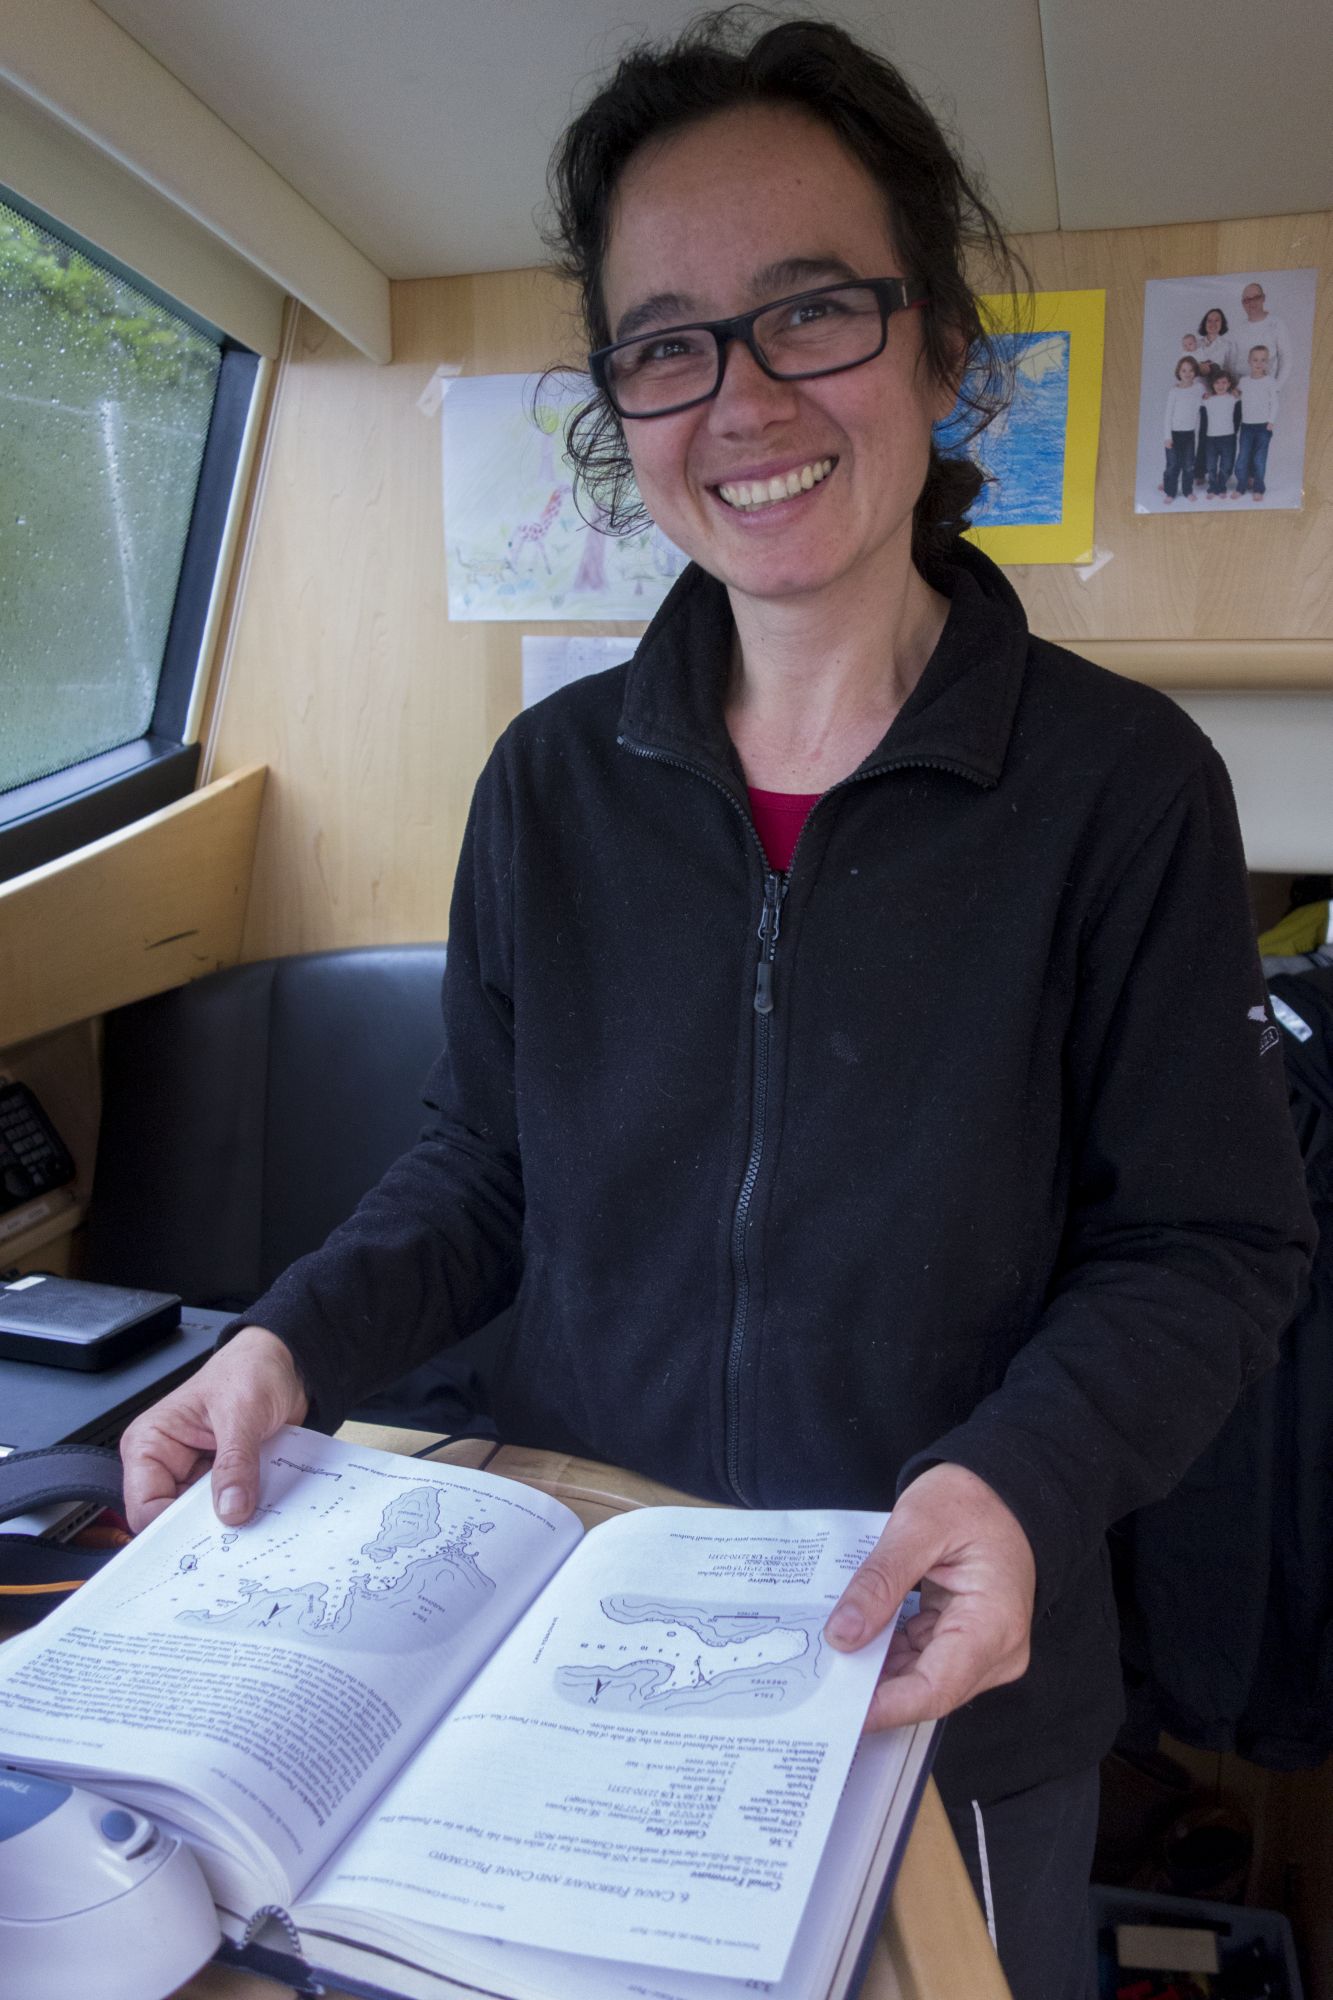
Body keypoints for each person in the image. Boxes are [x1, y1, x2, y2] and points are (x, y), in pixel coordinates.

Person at [119, 15, 1313, 1998]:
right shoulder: (550, 785)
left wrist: (1017, 1483)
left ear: (941, 351)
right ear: (621, 405)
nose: (741, 398)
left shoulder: (1121, 791)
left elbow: (1208, 1245)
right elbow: (476, 1173)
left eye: (810, 311)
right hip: (591, 1662)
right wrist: (285, 1343)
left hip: (945, 1687)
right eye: (665, 342)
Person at [1236, 344, 1279, 500]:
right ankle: (1241, 486)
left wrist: (1271, 421)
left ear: (1267, 362)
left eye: (1263, 360)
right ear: (1249, 361)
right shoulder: (1243, 381)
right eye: (1255, 360)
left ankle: (1258, 488)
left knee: (1259, 459)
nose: (1259, 363)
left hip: (1263, 426)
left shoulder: (1270, 381)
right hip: (1246, 425)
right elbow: (1237, 397)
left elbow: (1275, 403)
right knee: (1243, 457)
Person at [1162, 354, 1205, 501]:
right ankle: (1170, 491)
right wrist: (1167, 437)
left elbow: (1204, 401)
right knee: (1173, 465)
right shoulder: (1174, 391)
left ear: (1195, 372)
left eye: (1191, 370)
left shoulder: (1199, 388)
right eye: (1184, 370)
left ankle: (1187, 491)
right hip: (1174, 434)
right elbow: (1168, 415)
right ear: (1178, 372)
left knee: (1188, 465)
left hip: (1189, 434)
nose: (1187, 373)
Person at [1238, 279, 1290, 384]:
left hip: (1267, 388)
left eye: (1256, 298)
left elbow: (1286, 359)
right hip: (1243, 388)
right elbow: (1233, 364)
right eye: (1247, 300)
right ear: (1243, 303)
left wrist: (1276, 388)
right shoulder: (1239, 329)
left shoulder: (1276, 324)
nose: (1251, 302)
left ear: (1263, 298)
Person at [1200, 365, 1242, 496]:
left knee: (1226, 465)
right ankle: (1213, 486)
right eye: (1217, 382)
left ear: (1229, 384)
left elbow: (1245, 395)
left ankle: (1222, 486)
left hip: (1228, 438)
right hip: (1211, 438)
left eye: (1224, 382)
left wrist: (1237, 392)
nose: (1220, 385)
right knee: (1211, 465)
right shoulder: (1208, 400)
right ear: (1212, 384)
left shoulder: (1232, 398)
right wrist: (1203, 395)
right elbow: (1194, 398)